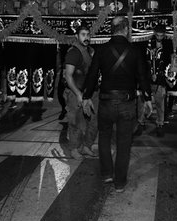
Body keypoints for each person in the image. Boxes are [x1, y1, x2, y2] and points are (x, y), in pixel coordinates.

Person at [83, 16, 152, 193]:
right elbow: (142, 77)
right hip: (127, 103)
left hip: (106, 102)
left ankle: (107, 173)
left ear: (111, 30)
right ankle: (119, 182)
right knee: (124, 143)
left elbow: (92, 75)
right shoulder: (135, 51)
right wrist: (148, 98)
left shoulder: (101, 50)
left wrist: (86, 97)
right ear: (127, 29)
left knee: (104, 138)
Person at [63, 25, 97, 159]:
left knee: (94, 120)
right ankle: (74, 149)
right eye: (83, 34)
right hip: (74, 92)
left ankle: (86, 146)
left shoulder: (91, 50)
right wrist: (78, 94)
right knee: (75, 122)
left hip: (90, 92)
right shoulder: (74, 52)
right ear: (77, 36)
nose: (86, 37)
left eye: (88, 34)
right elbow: (68, 76)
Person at [144, 24, 169, 137]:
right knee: (144, 102)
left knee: (160, 103)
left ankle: (160, 124)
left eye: (161, 35)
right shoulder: (148, 44)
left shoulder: (167, 46)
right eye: (157, 35)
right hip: (148, 78)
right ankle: (141, 121)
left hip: (161, 79)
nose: (159, 37)